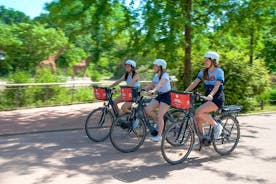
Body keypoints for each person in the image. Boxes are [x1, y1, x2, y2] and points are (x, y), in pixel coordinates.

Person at [185, 51, 224, 139]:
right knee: (197, 118)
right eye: (204, 59)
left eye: (207, 60)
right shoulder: (203, 71)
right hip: (207, 98)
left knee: (198, 112)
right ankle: (202, 139)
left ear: (213, 61)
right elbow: (195, 83)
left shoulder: (219, 71)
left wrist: (211, 95)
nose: (204, 61)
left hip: (216, 98)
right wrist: (185, 92)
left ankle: (217, 126)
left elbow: (217, 85)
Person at [144, 59, 171, 142]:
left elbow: (160, 84)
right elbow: (151, 84)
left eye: (155, 66)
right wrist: (141, 90)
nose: (154, 67)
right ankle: (159, 123)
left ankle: (159, 136)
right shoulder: (156, 76)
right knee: (147, 109)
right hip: (160, 95)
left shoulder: (165, 75)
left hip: (167, 96)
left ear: (160, 67)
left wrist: (154, 90)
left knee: (160, 115)